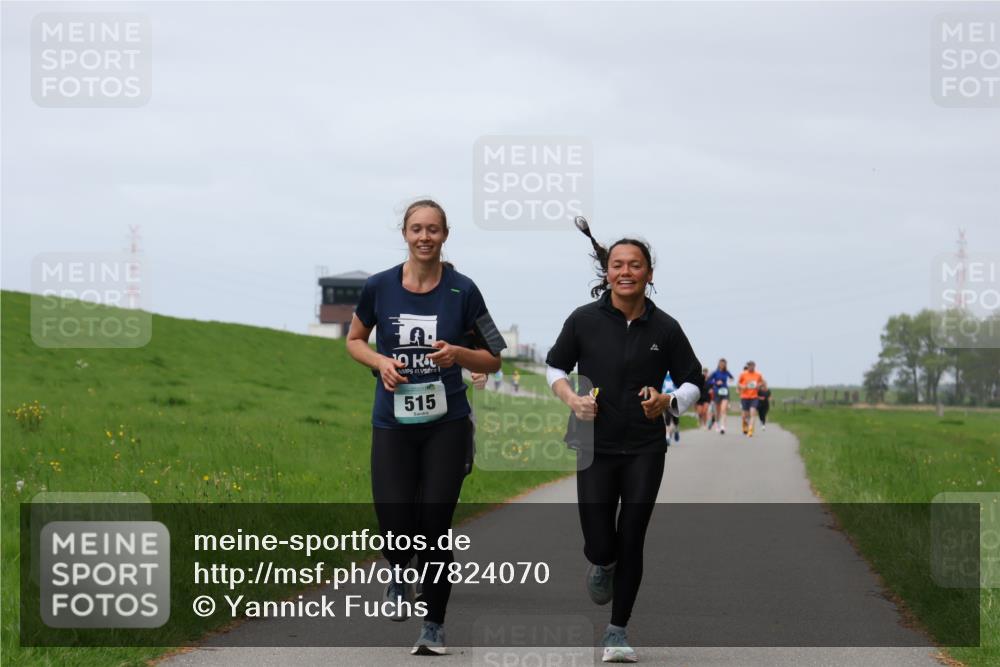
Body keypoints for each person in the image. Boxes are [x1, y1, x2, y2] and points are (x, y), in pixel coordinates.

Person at [346, 199, 504, 656]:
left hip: (446, 424)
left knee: (435, 525)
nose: (424, 237)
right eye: (417, 228)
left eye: (433, 229)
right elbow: (354, 340)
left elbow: (494, 357)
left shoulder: (464, 290)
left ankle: (433, 624)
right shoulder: (379, 287)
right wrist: (379, 362)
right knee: (395, 519)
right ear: (405, 234)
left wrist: (458, 353)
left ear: (445, 235)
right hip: (393, 422)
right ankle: (398, 568)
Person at [545, 236, 703, 663]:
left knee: (632, 535)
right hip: (592, 441)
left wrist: (668, 402)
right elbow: (556, 365)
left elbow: (693, 380)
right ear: (607, 272)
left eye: (635, 265)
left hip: (644, 447)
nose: (626, 272)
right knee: (600, 541)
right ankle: (603, 562)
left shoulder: (665, 328)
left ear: (649, 274)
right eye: (618, 265)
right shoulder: (583, 320)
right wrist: (572, 398)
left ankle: (617, 632)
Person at [705, 359, 734, 434]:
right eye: (721, 364)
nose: (722, 365)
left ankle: (723, 426)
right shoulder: (715, 372)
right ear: (719, 364)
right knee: (717, 411)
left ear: (725, 365)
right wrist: (715, 382)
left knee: (723, 410)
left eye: (724, 364)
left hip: (725, 392)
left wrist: (731, 380)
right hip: (717, 392)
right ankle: (717, 423)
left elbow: (732, 377)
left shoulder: (726, 372)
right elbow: (708, 380)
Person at [738, 360, 765, 438]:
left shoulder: (758, 375)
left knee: (753, 413)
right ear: (748, 366)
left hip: (754, 397)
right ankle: (744, 425)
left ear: (754, 366)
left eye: (752, 365)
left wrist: (758, 385)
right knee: (744, 415)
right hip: (744, 397)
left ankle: (750, 430)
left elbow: (762, 382)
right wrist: (743, 386)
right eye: (749, 365)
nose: (751, 367)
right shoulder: (743, 374)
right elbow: (738, 384)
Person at [661, 371, 680, 444]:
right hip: (665, 399)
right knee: (667, 418)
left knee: (675, 419)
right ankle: (667, 436)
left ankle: (676, 430)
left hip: (674, 399)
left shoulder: (675, 376)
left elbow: (679, 387)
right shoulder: (662, 376)